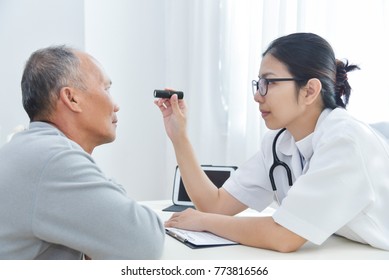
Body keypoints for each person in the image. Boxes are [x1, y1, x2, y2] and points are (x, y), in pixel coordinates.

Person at [155, 32, 389, 252]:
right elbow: (215, 205)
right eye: (258, 83)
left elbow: (285, 236)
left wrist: (205, 221)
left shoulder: (344, 140)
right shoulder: (279, 143)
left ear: (309, 90)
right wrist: (179, 136)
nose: (258, 95)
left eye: (270, 83)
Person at [0, 46, 165, 259]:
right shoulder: (54, 160)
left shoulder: (27, 148)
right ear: (72, 98)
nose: (116, 105)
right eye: (106, 89)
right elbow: (145, 244)